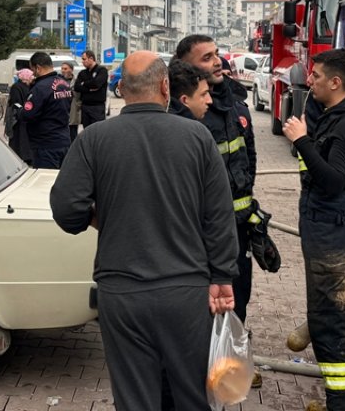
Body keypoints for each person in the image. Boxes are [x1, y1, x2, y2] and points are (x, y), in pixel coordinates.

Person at [50, 51, 237, 411]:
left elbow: (65, 209)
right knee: (193, 396)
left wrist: (101, 218)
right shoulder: (197, 137)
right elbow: (219, 216)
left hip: (122, 293)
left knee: (135, 399)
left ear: (120, 89)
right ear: (166, 87)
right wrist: (222, 276)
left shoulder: (94, 139)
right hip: (186, 291)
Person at [281, 48, 345, 411]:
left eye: (317, 76)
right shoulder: (340, 116)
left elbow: (333, 180)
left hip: (334, 242)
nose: (311, 80)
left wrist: (301, 140)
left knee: (332, 327)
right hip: (338, 234)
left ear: (336, 82)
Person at [175, 35, 259, 376]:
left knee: (238, 295)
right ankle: (199, 367)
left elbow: (249, 159)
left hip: (238, 226)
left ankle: (228, 364)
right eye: (207, 58)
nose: (218, 62)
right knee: (200, 302)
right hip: (198, 233)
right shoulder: (186, 113)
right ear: (187, 67)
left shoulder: (236, 103)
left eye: (216, 55)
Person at [19, 52, 73, 169]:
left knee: (45, 183)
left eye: (32, 70)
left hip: (46, 145)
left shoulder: (40, 88)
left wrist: (19, 111)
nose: (33, 73)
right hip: (64, 140)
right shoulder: (64, 84)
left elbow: (28, 114)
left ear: (38, 68)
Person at [5, 69, 35, 164]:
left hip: (25, 116)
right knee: (18, 138)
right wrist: (22, 110)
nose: (32, 78)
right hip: (17, 118)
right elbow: (15, 102)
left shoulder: (27, 86)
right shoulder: (16, 87)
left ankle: (26, 156)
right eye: (31, 76)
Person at [73, 50, 109, 128]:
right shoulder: (82, 73)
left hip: (97, 107)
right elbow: (77, 87)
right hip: (85, 106)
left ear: (91, 58)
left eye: (84, 59)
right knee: (87, 131)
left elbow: (96, 84)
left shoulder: (101, 70)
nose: (82, 62)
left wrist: (84, 83)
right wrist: (89, 89)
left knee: (98, 131)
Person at [61, 62, 81, 141]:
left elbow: (80, 96)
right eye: (62, 69)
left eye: (65, 69)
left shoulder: (77, 81)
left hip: (73, 111)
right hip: (61, 112)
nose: (63, 70)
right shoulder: (58, 82)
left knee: (73, 134)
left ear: (71, 70)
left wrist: (78, 105)